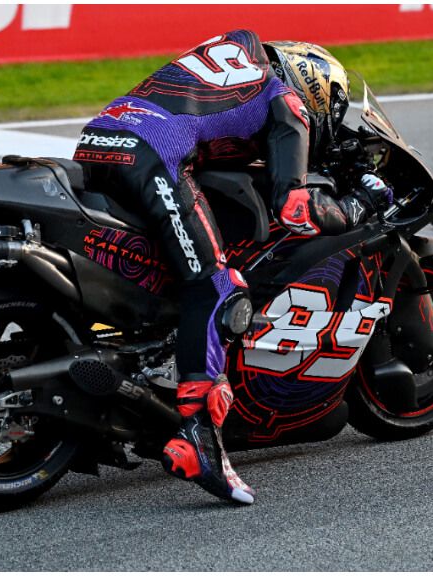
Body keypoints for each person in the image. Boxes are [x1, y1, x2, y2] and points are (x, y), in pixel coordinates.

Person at [73, 30, 392, 505]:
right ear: (318, 90)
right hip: (151, 151)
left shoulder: (232, 59)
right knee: (218, 287)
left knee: (173, 268)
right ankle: (200, 441)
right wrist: (356, 204)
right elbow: (295, 210)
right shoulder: (287, 102)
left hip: (100, 140)